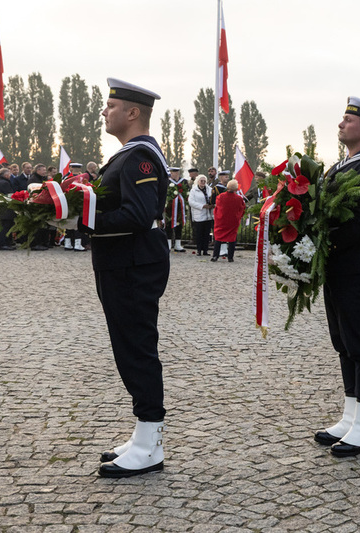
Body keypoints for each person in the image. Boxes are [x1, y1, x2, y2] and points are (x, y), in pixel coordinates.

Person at [80, 78, 171, 478]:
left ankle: (151, 445)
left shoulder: (139, 157)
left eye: (111, 106)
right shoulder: (127, 155)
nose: (105, 111)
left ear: (133, 113)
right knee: (128, 348)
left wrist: (82, 220)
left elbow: (138, 214)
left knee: (137, 350)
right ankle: (142, 435)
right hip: (122, 263)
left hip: (133, 265)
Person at [313, 96, 360, 457]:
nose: (341, 124)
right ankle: (350, 416)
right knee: (342, 342)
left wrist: (322, 243)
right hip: (337, 267)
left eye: (348, 119)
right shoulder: (340, 166)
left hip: (356, 266)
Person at [211, 179, 245, 262]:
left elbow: (217, 208)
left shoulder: (220, 197)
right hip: (233, 221)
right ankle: (230, 257)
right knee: (232, 239)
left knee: (218, 238)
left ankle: (215, 256)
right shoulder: (239, 198)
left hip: (221, 220)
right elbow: (242, 209)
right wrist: (239, 216)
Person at [188, 174, 214, 257]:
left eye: (204, 181)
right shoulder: (194, 190)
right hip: (199, 215)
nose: (203, 182)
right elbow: (191, 202)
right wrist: (202, 206)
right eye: (201, 181)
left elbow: (214, 198)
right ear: (198, 181)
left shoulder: (210, 189)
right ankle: (199, 250)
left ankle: (205, 250)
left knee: (207, 234)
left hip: (208, 215)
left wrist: (212, 205)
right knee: (199, 234)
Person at [164, 167, 187, 252]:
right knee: (169, 224)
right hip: (170, 207)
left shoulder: (184, 182)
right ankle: (168, 244)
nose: (171, 174)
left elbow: (186, 192)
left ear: (177, 173)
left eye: (173, 172)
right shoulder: (168, 181)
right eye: (171, 172)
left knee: (179, 225)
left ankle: (178, 244)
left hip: (180, 207)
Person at [0, 168, 17, 250]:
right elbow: (9, 195)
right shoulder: (4, 183)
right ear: (6, 175)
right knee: (5, 227)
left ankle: (7, 243)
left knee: (6, 226)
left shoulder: (0, 181)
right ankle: (3, 244)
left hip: (2, 208)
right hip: (6, 208)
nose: (10, 176)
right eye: (9, 174)